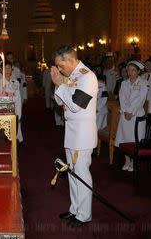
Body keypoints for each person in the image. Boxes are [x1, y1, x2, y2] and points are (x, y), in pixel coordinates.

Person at [51, 45, 98, 228]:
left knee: (82, 174)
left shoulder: (87, 77)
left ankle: (84, 215)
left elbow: (76, 105)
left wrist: (60, 85)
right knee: (72, 173)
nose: (59, 69)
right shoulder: (72, 77)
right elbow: (59, 100)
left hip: (82, 135)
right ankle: (75, 208)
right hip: (71, 132)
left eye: (60, 66)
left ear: (69, 60)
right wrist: (60, 84)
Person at [114, 60, 148, 171]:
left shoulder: (143, 82)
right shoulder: (124, 83)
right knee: (125, 137)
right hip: (125, 114)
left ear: (138, 71)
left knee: (135, 137)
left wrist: (132, 112)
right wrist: (125, 111)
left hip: (137, 114)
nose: (130, 72)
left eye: (133, 70)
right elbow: (122, 98)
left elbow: (141, 99)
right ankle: (127, 160)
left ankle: (134, 161)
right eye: (128, 70)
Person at [0, 61, 23, 142]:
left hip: (13, 110)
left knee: (14, 132)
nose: (7, 70)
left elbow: (18, 99)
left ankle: (14, 151)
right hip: (3, 110)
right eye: (5, 68)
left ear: (12, 69)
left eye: (9, 68)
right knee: (4, 134)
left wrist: (19, 114)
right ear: (1, 70)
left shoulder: (15, 82)